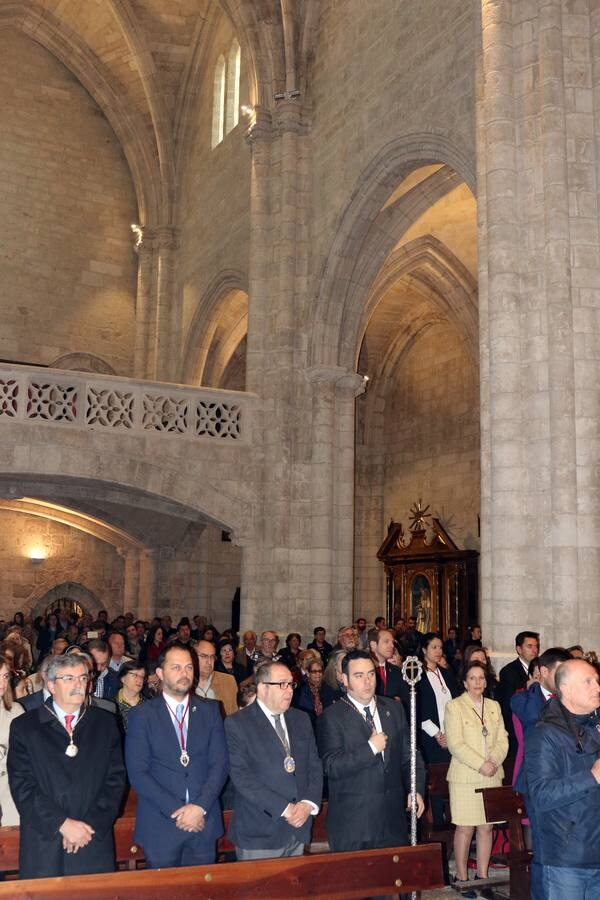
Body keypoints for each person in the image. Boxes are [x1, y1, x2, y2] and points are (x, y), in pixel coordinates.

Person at [7, 652, 125, 878]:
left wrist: (88, 826)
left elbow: (115, 780)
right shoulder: (25, 727)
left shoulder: (105, 723)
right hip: (46, 838)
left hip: (91, 836)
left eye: (83, 678)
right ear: (51, 684)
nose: (78, 684)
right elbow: (22, 786)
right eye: (69, 678)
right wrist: (62, 824)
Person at [125, 642, 229, 867]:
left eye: (189, 667)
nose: (185, 673)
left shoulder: (210, 710)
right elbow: (138, 773)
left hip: (203, 821)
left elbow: (220, 765)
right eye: (177, 667)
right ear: (160, 673)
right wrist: (179, 812)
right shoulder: (141, 716)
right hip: (162, 825)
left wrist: (199, 807)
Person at [317, 649, 425, 852]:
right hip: (354, 825)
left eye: (371, 674)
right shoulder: (332, 717)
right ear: (344, 679)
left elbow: (410, 755)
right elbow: (331, 767)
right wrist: (370, 748)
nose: (367, 681)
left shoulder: (393, 709)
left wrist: (415, 788)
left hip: (392, 821)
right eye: (359, 676)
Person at [224, 660, 322, 859]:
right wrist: (286, 809)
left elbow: (314, 766)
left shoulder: (301, 719)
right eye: (281, 684)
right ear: (262, 689)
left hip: (298, 826)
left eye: (291, 684)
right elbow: (242, 778)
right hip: (259, 831)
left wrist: (308, 804)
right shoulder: (238, 724)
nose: (289, 690)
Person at [524, 659, 600, 897]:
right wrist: (592, 776)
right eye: (588, 681)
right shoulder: (545, 734)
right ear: (565, 689)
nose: (597, 687)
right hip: (566, 859)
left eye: (597, 681)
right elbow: (541, 795)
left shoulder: (594, 727)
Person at [444, 660, 508, 899]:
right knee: (465, 828)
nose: (478, 682)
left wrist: (494, 761)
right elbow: (455, 744)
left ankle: (482, 876)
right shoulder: (455, 706)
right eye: (472, 678)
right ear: (464, 681)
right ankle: (462, 877)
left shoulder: (493, 706)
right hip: (466, 776)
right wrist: (482, 764)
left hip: (492, 774)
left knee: (487, 827)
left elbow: (503, 739)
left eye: (481, 678)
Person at [417, 632, 459, 765]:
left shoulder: (446, 673)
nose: (438, 651)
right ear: (424, 650)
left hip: (452, 735)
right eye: (434, 647)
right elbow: (419, 710)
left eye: (440, 647)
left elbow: (456, 702)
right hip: (430, 737)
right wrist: (438, 735)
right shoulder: (418, 676)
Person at [498, 630, 540, 750]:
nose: (534, 650)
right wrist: (526, 686)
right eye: (529, 646)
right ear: (519, 649)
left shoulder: (541, 667)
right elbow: (508, 701)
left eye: (536, 646)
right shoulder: (508, 671)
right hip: (518, 729)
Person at [0, 653, 24, 824]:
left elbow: (25, 755)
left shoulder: (15, 710)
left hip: (9, 788)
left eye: (5, 676)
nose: (2, 683)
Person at [369, 627, 410, 709]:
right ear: (373, 645)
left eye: (392, 642)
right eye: (386, 641)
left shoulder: (396, 671)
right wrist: (391, 701)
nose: (392, 646)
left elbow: (406, 701)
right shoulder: (363, 670)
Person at [292, 656, 338, 727]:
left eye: (320, 671)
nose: (318, 674)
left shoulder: (328, 689)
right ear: (308, 673)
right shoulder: (300, 690)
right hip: (307, 725)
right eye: (314, 672)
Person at [195, 640, 238, 716]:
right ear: (193, 657)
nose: (209, 661)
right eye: (204, 656)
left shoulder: (228, 681)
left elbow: (235, 715)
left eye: (212, 657)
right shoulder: (185, 682)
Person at [116, 660, 147, 732]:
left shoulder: (149, 706)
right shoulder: (111, 704)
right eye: (135, 675)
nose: (139, 680)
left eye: (142, 676)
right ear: (123, 678)